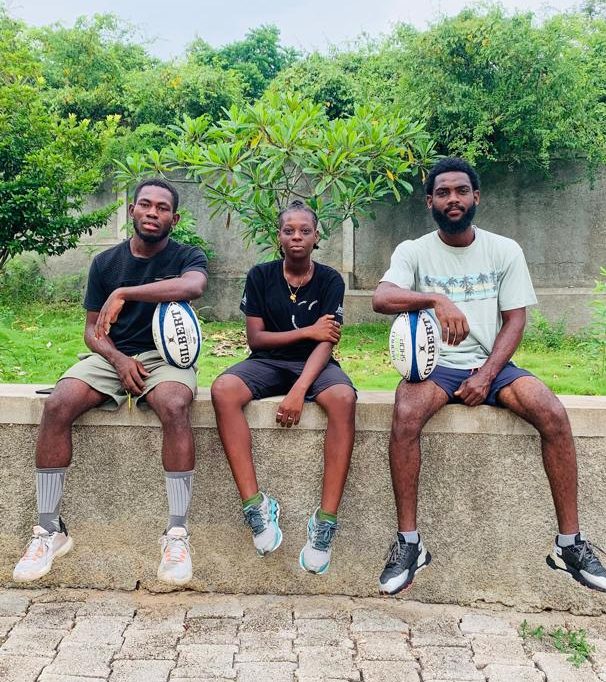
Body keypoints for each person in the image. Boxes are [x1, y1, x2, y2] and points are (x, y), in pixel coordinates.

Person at [372, 157, 606, 596]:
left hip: (492, 366)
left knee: (552, 412)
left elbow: (515, 321)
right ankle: (409, 544)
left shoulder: (504, 249)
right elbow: (382, 298)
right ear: (429, 202)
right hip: (435, 366)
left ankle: (569, 545)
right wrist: (436, 300)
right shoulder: (413, 250)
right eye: (443, 193)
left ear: (476, 197)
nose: (453, 199)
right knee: (405, 414)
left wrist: (487, 374)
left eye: (461, 191)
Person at [12, 178, 208, 587]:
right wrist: (118, 360)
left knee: (174, 405)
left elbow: (194, 287)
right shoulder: (105, 263)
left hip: (164, 357)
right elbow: (91, 330)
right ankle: (50, 530)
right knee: (58, 404)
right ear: (132, 210)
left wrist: (127, 292)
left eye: (162, 208)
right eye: (145, 205)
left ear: (175, 217)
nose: (152, 213)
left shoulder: (187, 255)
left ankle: (176, 535)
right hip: (111, 355)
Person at [211, 200, 356, 575]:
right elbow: (256, 340)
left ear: (316, 236)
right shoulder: (260, 276)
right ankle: (256, 506)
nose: (296, 237)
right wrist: (308, 330)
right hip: (268, 361)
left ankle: (324, 522)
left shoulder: (331, 280)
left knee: (342, 398)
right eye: (289, 230)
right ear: (278, 236)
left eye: (304, 230)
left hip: (314, 363)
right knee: (224, 389)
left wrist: (299, 390)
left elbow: (327, 343)